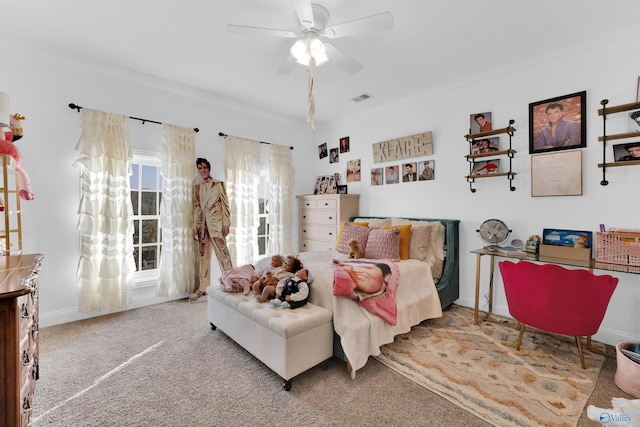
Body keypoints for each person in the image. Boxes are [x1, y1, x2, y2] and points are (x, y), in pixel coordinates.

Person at [190, 157, 233, 302]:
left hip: (216, 224)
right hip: (202, 226)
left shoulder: (218, 184)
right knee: (203, 257)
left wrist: (226, 224)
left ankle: (231, 282)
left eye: (204, 167)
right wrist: (194, 227)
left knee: (223, 254)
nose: (202, 170)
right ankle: (203, 288)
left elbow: (225, 205)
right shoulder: (196, 188)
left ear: (209, 168)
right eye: (200, 168)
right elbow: (196, 208)